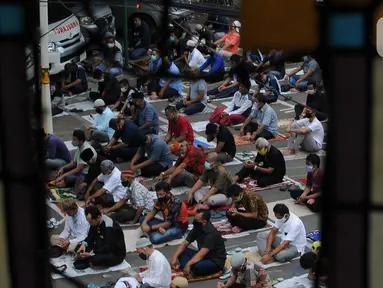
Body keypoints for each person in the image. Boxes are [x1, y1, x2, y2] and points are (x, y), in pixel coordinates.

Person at [170, 209, 226, 278]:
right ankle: (189, 270)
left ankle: (189, 269)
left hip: (214, 260)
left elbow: (202, 253)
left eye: (197, 220)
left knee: (196, 266)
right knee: (182, 251)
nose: (194, 221)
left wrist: (188, 264)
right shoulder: (197, 228)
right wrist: (174, 257)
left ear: (204, 222)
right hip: (203, 256)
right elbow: (185, 243)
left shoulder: (211, 234)